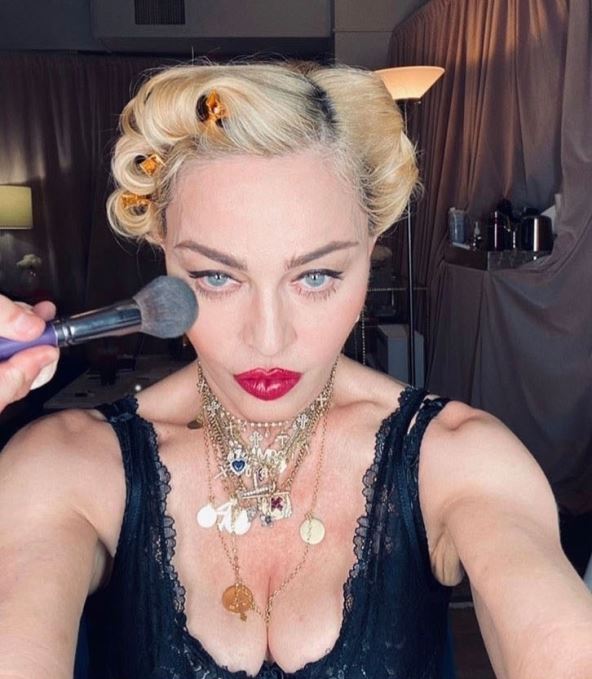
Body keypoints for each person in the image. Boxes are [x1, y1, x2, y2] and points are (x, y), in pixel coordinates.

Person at [1, 61, 591, 679]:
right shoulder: (67, 466)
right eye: (216, 276)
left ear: (369, 254)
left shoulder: (461, 459)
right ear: (164, 254)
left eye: (315, 276)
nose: (268, 339)